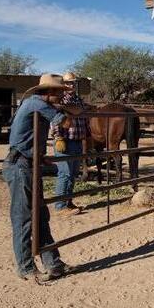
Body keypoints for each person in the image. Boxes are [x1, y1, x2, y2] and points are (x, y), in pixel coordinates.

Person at [3, 73, 79, 283]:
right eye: (59, 92)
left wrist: (40, 156)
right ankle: (26, 267)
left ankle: (53, 263)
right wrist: (73, 111)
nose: (61, 96)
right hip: (20, 165)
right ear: (50, 92)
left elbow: (30, 135)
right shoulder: (36, 103)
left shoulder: (36, 104)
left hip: (28, 162)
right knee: (24, 217)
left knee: (40, 215)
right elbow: (65, 123)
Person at [50, 72, 90, 215]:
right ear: (63, 85)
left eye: (73, 83)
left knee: (72, 173)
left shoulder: (78, 100)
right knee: (65, 173)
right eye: (68, 83)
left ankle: (68, 201)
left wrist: (87, 134)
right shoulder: (60, 100)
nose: (71, 85)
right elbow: (55, 119)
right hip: (65, 140)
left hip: (77, 140)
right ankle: (60, 205)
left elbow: (83, 118)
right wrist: (58, 137)